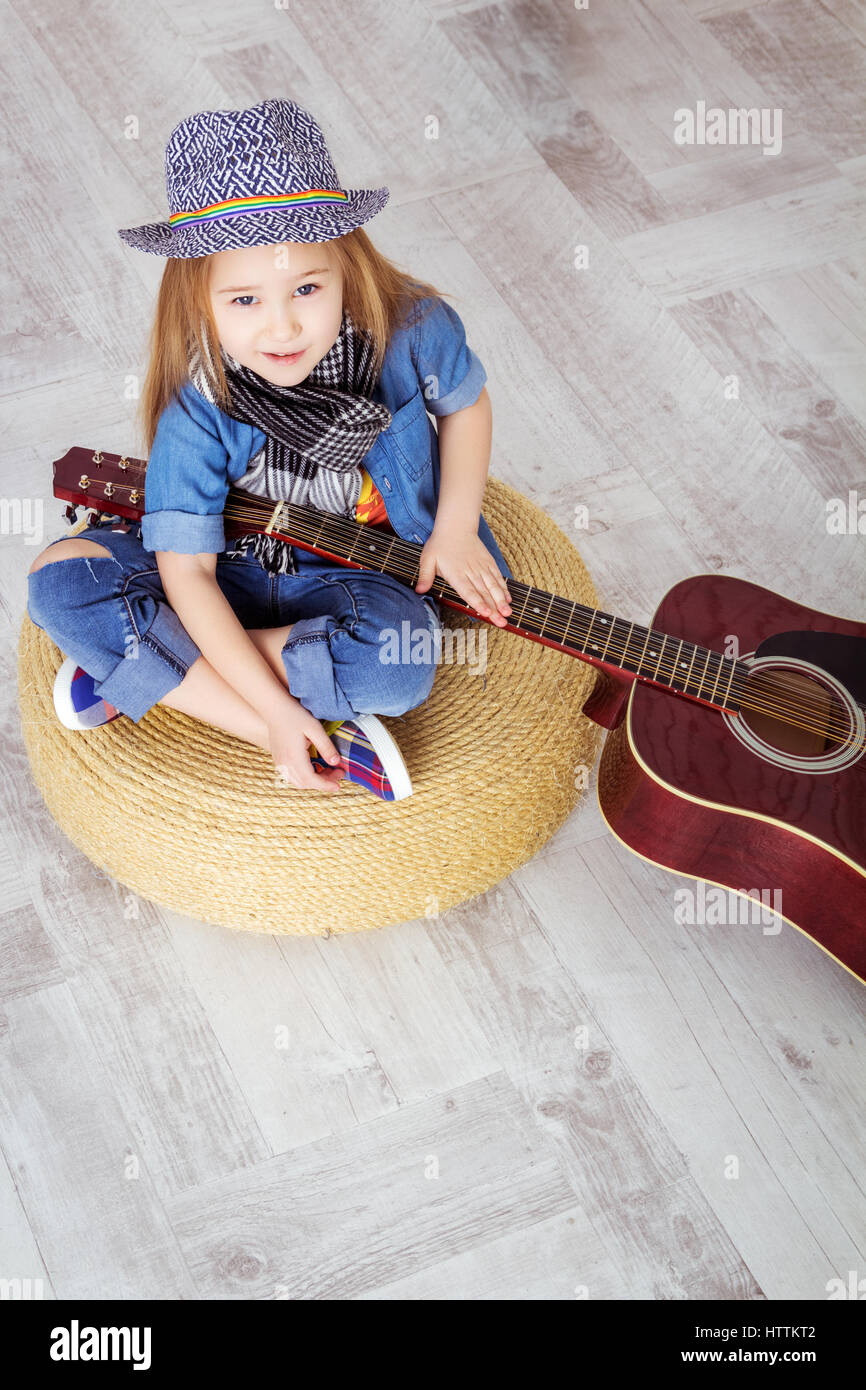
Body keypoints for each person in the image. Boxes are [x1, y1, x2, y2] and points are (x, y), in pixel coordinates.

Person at [26, 97, 513, 802]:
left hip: (357, 573)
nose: (281, 327)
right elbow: (187, 572)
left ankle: (146, 669)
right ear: (201, 302)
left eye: (307, 288)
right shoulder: (201, 403)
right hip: (229, 574)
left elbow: (466, 405)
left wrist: (456, 525)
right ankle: (238, 708)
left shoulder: (413, 331)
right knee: (58, 583)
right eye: (244, 300)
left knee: (402, 664)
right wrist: (276, 718)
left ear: (346, 263)